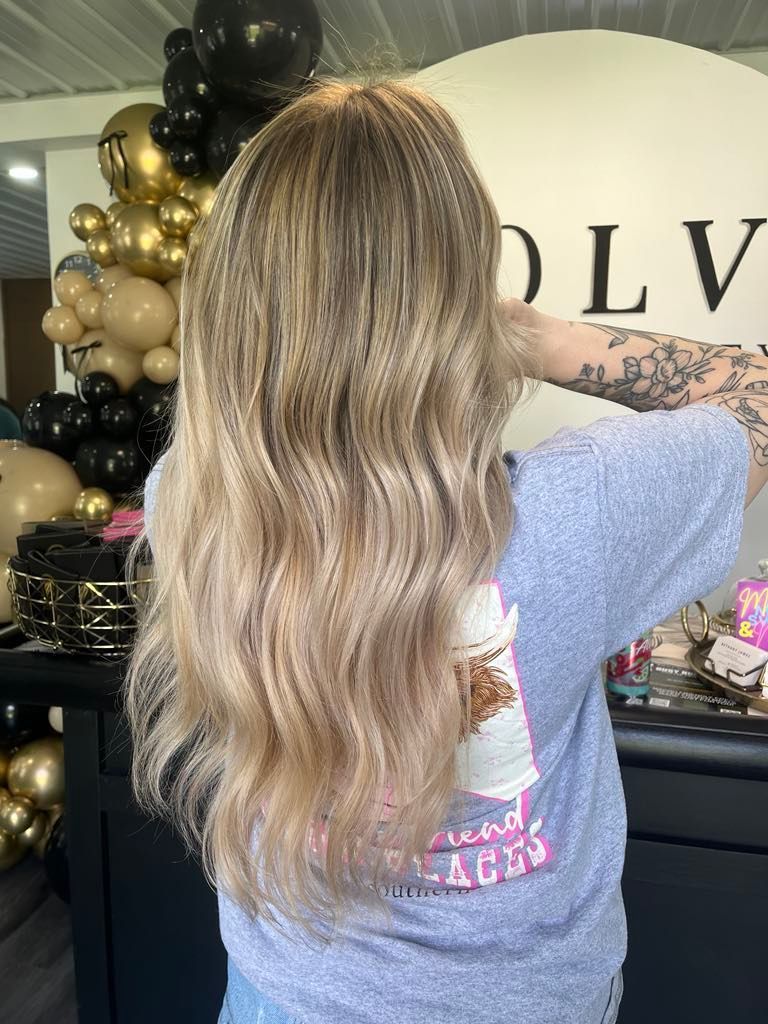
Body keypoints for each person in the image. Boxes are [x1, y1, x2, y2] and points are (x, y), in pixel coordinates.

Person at [126, 77, 768, 1024]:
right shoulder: (576, 512)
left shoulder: (186, 493)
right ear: (458, 295)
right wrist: (545, 341)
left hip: (278, 992)